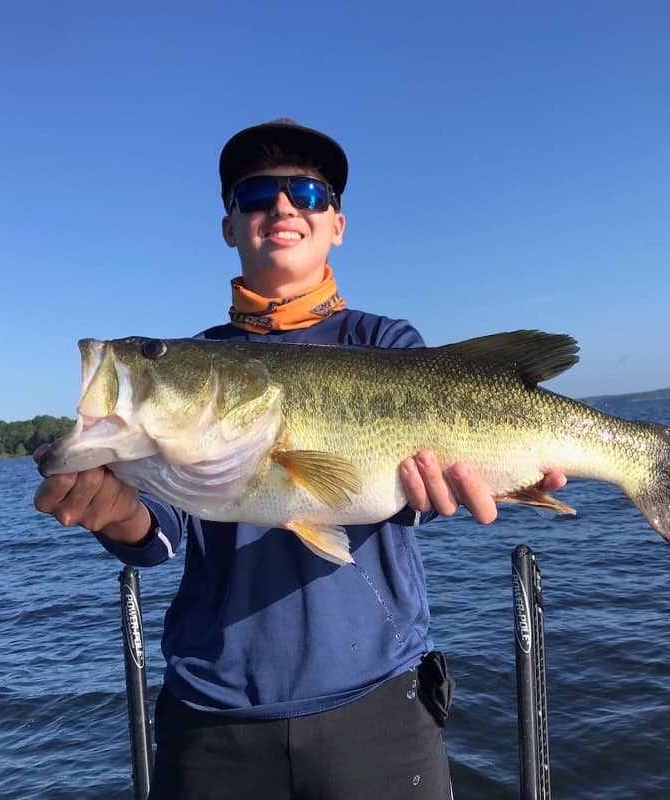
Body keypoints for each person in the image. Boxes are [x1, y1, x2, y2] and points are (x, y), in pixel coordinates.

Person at [34, 119, 566, 799]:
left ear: (336, 223)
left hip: (381, 705)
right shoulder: (206, 360)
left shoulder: (386, 341)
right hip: (212, 718)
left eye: (308, 193)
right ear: (229, 225)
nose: (282, 207)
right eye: (256, 193)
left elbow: (407, 487)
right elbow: (162, 528)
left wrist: (469, 487)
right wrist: (115, 513)